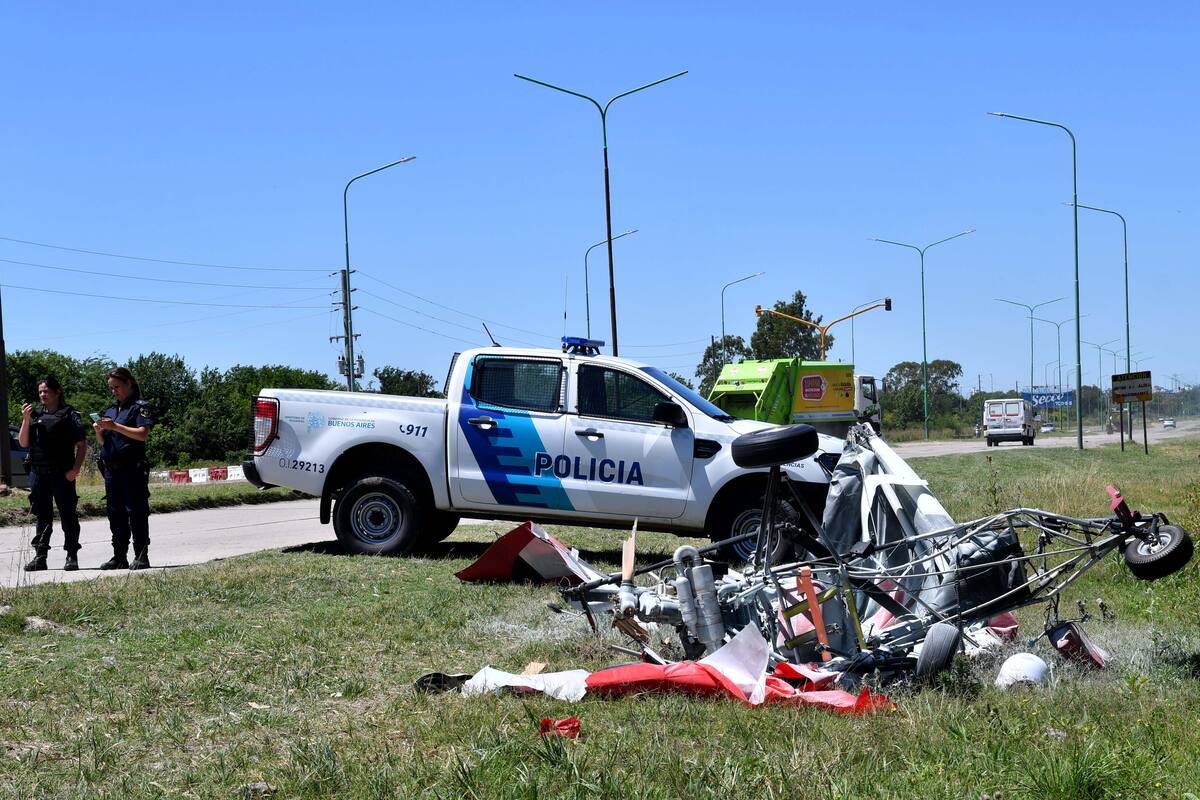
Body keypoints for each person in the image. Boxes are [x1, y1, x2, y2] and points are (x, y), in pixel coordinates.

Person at [19, 377, 87, 571]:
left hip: (61, 474)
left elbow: (82, 445)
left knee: (68, 516)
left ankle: (71, 555)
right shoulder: (34, 415)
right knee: (42, 516)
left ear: (58, 392)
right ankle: (40, 556)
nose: (42, 395)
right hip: (39, 474)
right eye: (40, 392)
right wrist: (26, 419)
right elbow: (24, 443)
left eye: (46, 391)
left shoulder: (69, 414)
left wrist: (75, 469)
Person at [93, 367, 156, 570]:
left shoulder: (140, 407)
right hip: (111, 470)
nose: (114, 391)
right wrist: (99, 431)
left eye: (117, 387)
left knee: (136, 512)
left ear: (129, 383)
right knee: (115, 513)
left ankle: (141, 555)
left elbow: (142, 434)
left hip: (132, 469)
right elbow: (104, 443)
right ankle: (119, 556)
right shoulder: (111, 410)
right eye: (111, 388)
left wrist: (115, 427)